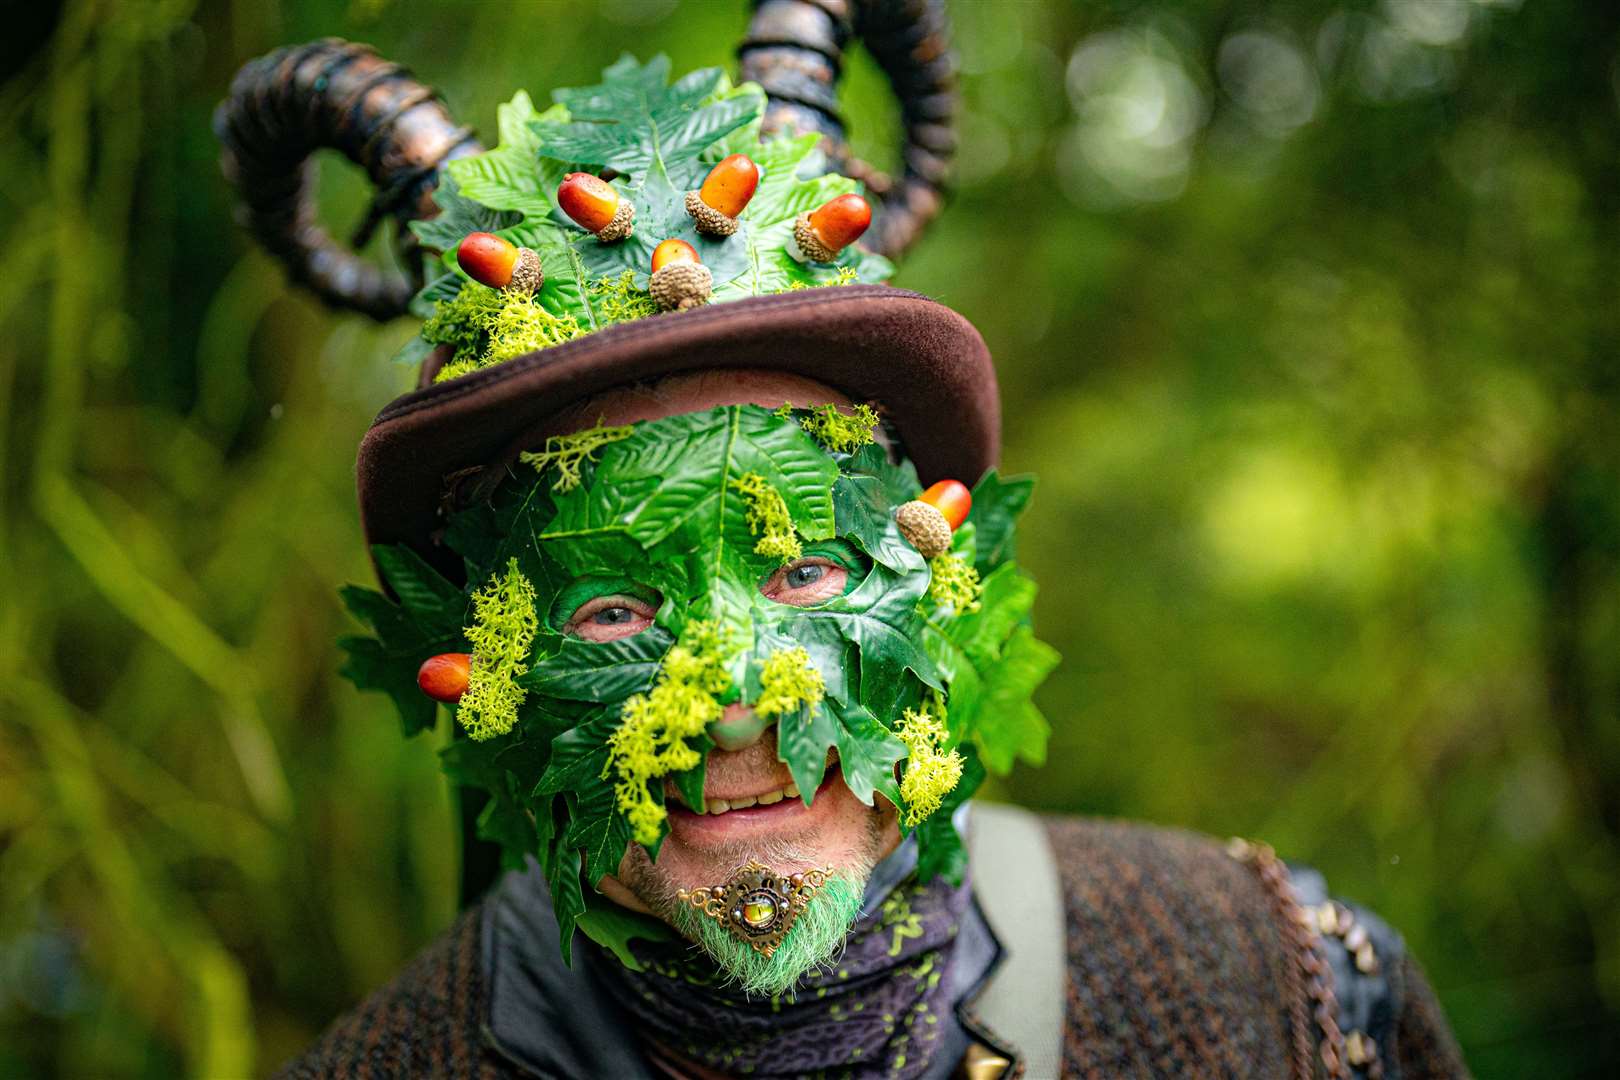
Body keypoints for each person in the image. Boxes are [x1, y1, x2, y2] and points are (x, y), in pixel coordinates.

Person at [216, 7, 1470, 1078]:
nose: (737, 708)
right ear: (480, 666)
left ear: (938, 587)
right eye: (614, 612)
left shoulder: (1276, 995)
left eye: (807, 569)